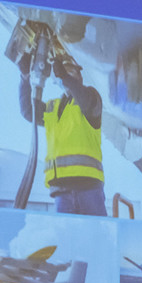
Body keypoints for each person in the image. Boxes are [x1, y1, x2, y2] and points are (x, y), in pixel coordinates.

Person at [18, 49, 107, 216]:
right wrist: (25, 78)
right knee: (65, 234)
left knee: (95, 232)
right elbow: (28, 111)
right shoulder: (53, 107)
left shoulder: (91, 98)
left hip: (88, 188)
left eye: (69, 70)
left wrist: (66, 77)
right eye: (63, 70)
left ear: (79, 75)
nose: (64, 74)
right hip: (61, 192)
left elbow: (86, 101)